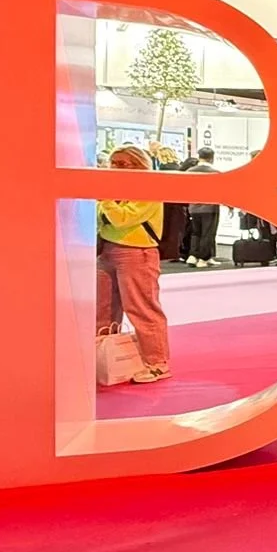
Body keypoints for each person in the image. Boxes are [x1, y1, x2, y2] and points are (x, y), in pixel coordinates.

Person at [97, 146, 170, 383]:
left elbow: (121, 219)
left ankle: (157, 362)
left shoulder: (148, 189)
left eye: (122, 164)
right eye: (113, 162)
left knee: (141, 308)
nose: (114, 167)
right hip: (107, 251)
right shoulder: (112, 190)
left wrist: (104, 201)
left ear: (140, 165)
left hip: (137, 252)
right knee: (103, 310)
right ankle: (102, 358)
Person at [181, 147, 221, 267]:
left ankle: (193, 256)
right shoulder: (215, 173)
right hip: (210, 207)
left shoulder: (189, 171)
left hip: (193, 207)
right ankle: (203, 258)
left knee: (195, 232)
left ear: (199, 157)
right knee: (207, 233)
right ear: (212, 158)